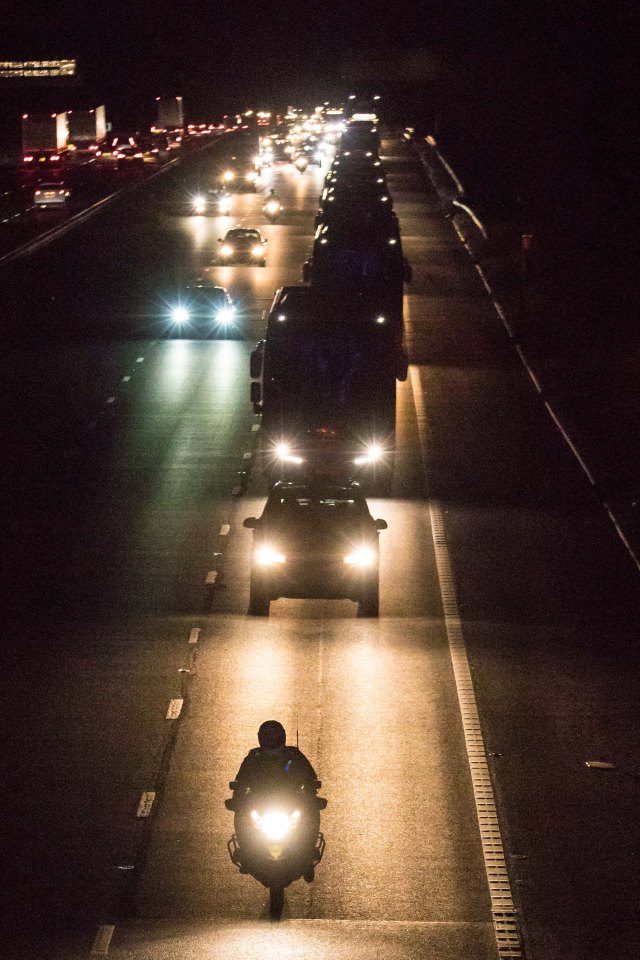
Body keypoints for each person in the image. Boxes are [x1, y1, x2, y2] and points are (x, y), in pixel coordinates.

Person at [230, 720, 318, 800]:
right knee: (242, 809)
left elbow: (310, 777)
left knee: (310, 808)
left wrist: (311, 794)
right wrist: (237, 796)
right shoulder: (254, 757)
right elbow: (241, 780)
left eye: (274, 736)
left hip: (291, 800)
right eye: (267, 736)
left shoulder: (294, 755)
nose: (271, 740)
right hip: (258, 801)